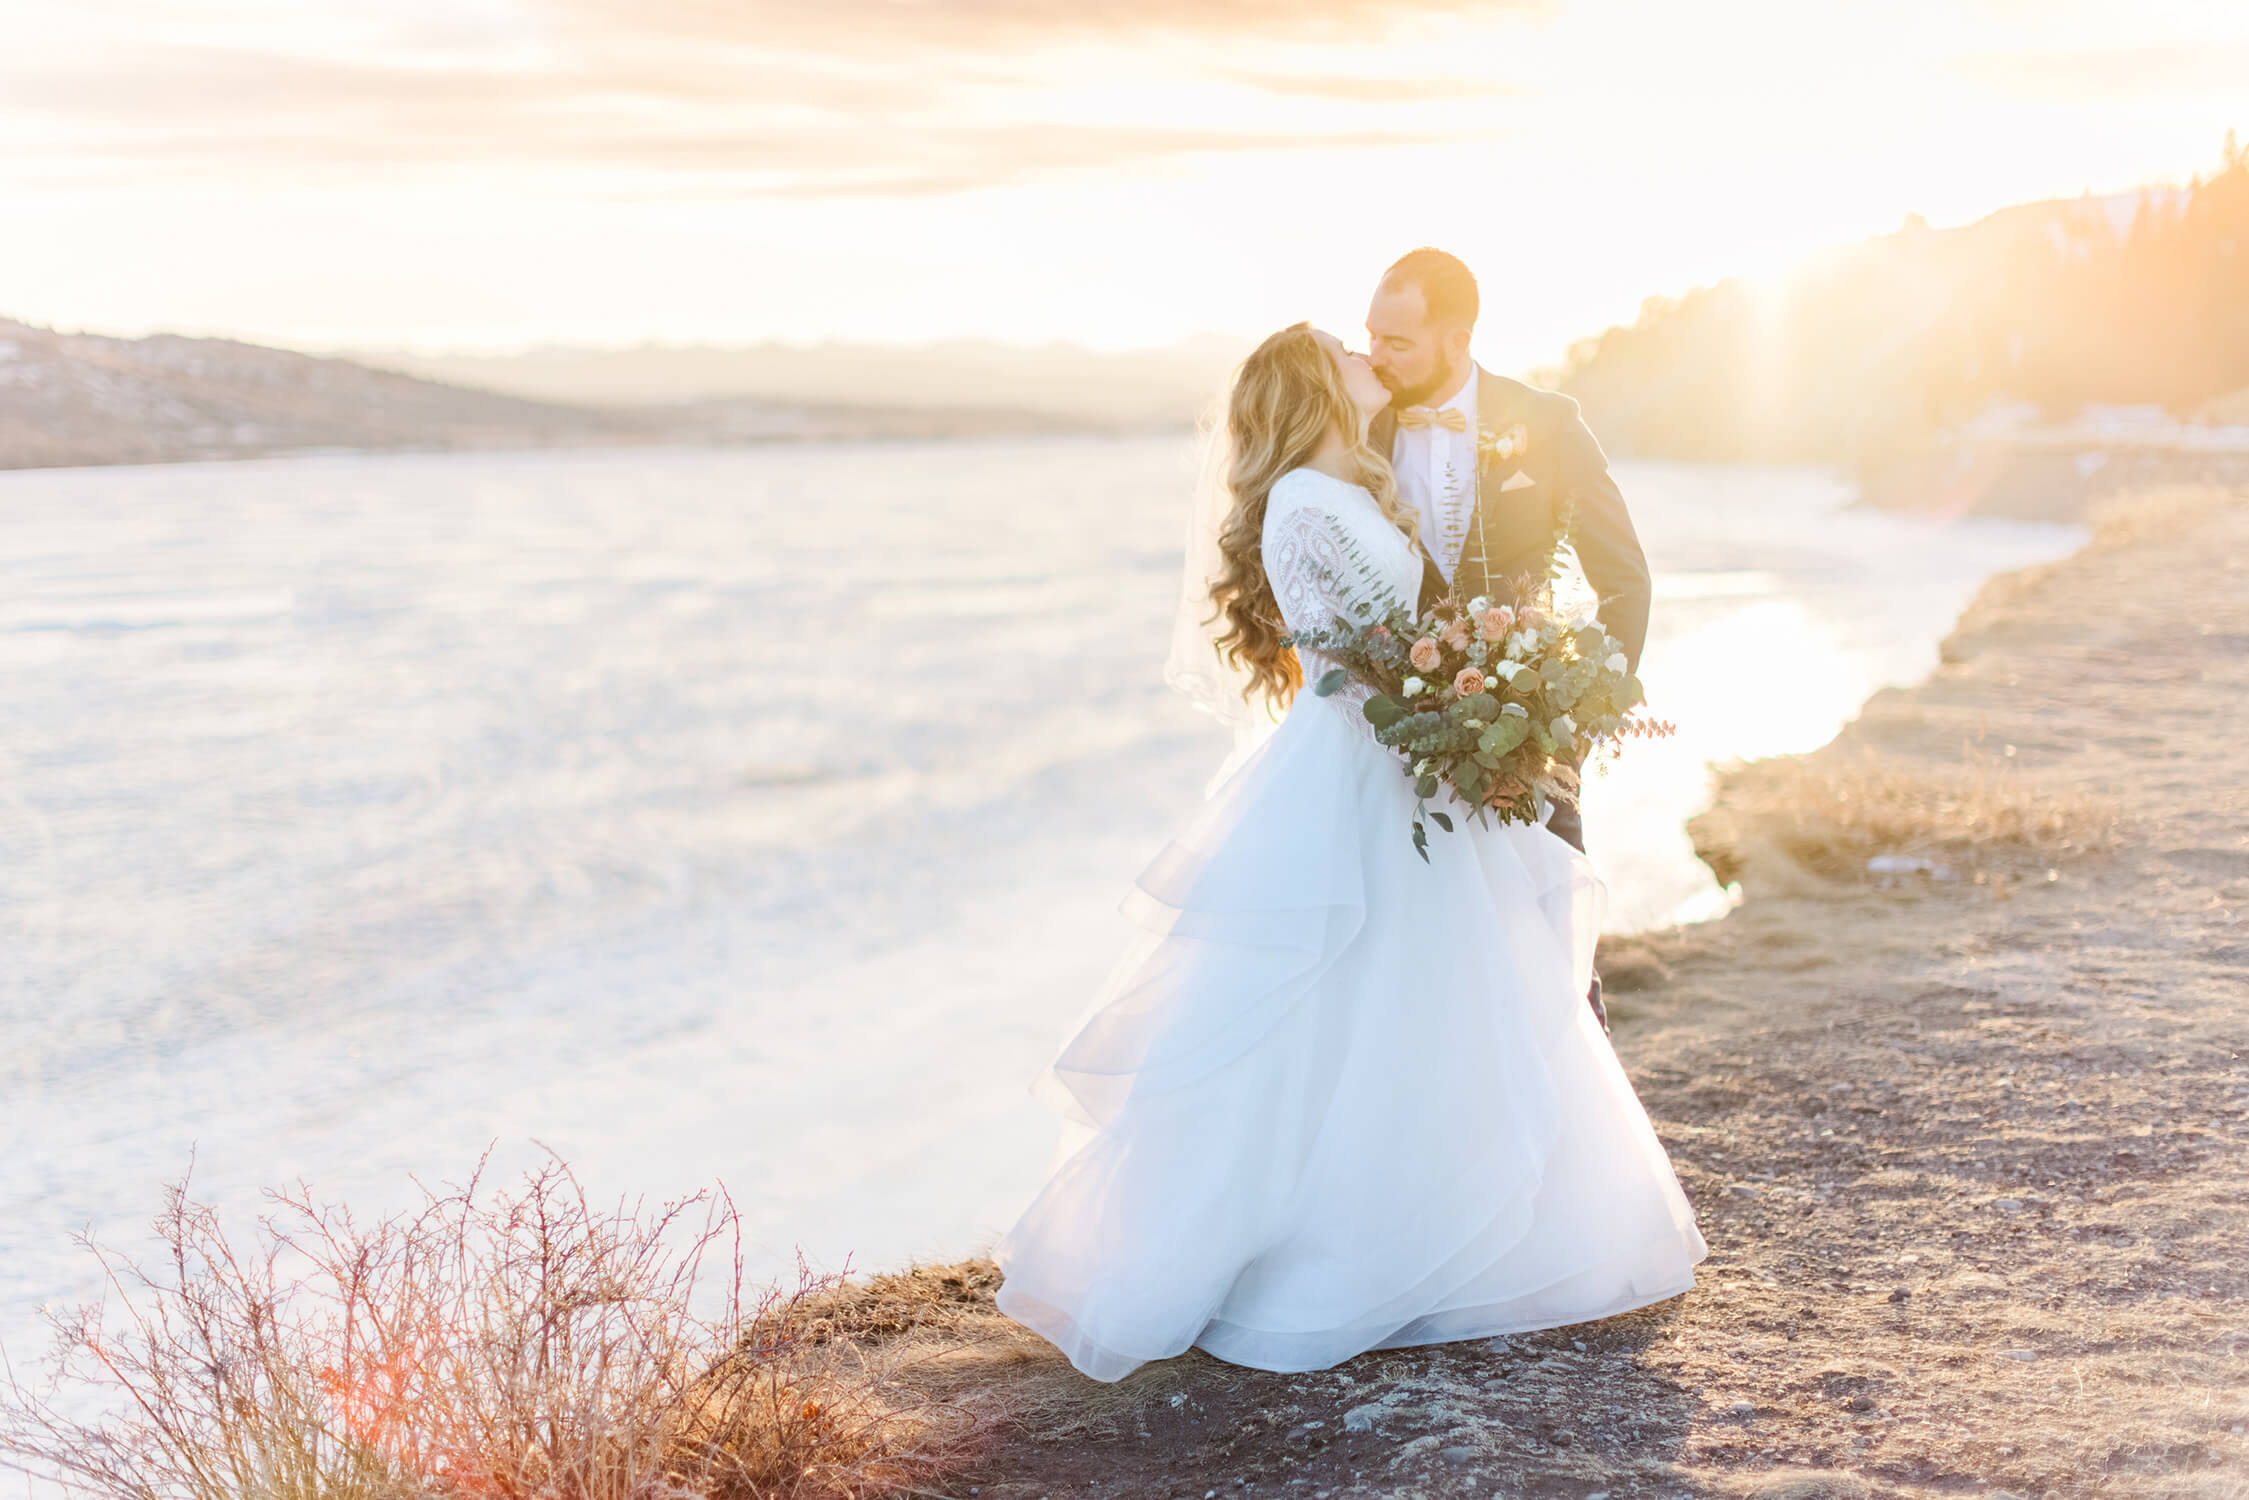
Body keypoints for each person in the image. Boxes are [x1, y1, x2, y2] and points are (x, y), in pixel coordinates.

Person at [990, 322, 1706, 1383]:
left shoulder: (1352, 493)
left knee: (1424, 999)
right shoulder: (1302, 504)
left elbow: (1403, 637)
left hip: (1398, 761)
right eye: (1347, 351)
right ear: (1316, 392)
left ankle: (1434, 1218)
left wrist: (1478, 695)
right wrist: (1467, 703)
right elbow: (1367, 652)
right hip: (1361, 768)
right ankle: (1315, 1245)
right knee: (1345, 998)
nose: (1370, 357)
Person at [1367, 247, 1653, 1032]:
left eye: (1397, 342)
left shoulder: (1547, 423)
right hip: (1398, 750)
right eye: (1370, 337)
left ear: (1456, 339)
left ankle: (1587, 1142)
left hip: (1528, 738)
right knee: (1422, 962)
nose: (1374, 358)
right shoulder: (1357, 426)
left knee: (1557, 954)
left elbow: (1625, 579)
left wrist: (1567, 737)